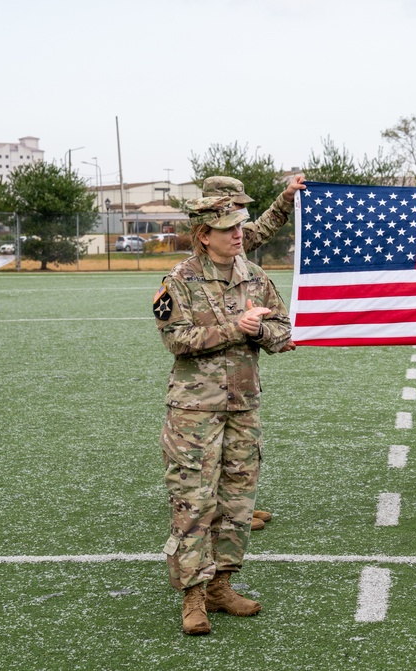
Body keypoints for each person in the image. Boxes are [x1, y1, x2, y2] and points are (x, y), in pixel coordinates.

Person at [154, 195, 293, 635]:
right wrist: (239, 328)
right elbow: (176, 339)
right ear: (203, 236)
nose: (239, 234)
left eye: (241, 226)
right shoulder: (179, 281)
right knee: (194, 503)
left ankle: (222, 586)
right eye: (229, 228)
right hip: (194, 411)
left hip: (243, 406)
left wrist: (269, 333)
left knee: (236, 502)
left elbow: (282, 328)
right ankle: (193, 597)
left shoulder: (255, 276)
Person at [201, 174, 305, 530]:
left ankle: (235, 507)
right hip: (210, 376)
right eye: (238, 206)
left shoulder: (236, 243)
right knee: (211, 445)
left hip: (240, 371)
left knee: (238, 444)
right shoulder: (208, 255)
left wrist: (288, 197)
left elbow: (264, 227)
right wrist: (258, 332)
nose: (244, 217)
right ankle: (218, 512)